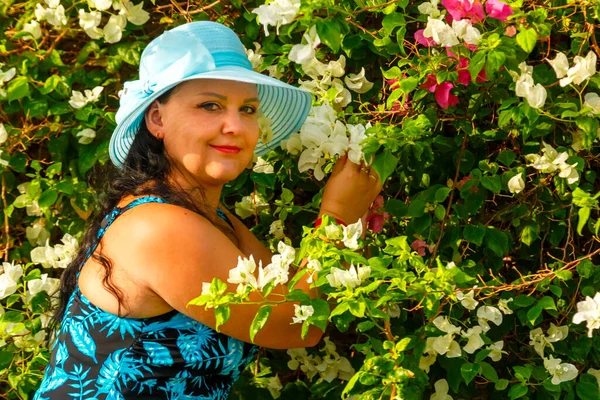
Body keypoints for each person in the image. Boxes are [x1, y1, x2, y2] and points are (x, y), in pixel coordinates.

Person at [34, 21, 382, 399]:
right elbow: (299, 325)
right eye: (210, 105)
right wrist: (337, 216)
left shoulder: (207, 216)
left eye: (247, 109)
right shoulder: (160, 227)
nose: (234, 125)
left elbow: (286, 296)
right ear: (157, 119)